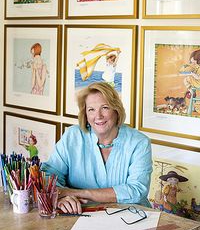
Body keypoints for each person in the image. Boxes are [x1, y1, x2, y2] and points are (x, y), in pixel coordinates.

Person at [41, 82, 152, 214]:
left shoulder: (139, 142)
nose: (98, 116)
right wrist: (60, 198)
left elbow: (136, 190)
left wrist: (77, 192)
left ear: (116, 110)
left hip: (131, 217)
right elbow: (48, 175)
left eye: (105, 108)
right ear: (85, 115)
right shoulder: (73, 136)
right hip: (80, 215)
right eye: (91, 110)